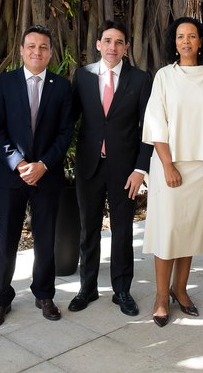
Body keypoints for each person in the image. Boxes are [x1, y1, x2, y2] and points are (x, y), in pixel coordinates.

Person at [0, 25, 73, 325]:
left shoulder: (61, 86)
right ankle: (1, 299)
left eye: (43, 47)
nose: (37, 52)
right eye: (31, 46)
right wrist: (18, 162)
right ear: (21, 50)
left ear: (50, 52)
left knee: (45, 238)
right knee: (7, 238)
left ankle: (44, 294)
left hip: (47, 176)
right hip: (13, 176)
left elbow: (65, 133)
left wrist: (44, 165)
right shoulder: (4, 83)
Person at [141, 17, 203, 327]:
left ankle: (180, 289)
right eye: (180, 36)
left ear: (201, 41)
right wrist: (167, 165)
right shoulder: (164, 76)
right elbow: (155, 123)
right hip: (169, 164)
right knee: (168, 232)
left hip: (202, 166)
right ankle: (162, 296)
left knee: (189, 230)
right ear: (173, 43)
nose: (186, 41)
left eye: (192, 36)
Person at [68, 21, 152, 316]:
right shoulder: (83, 76)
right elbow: (69, 120)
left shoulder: (140, 80)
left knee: (122, 231)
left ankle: (122, 290)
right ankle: (87, 287)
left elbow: (148, 128)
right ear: (98, 45)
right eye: (107, 41)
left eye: (119, 42)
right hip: (89, 166)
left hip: (124, 170)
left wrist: (140, 169)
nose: (113, 47)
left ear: (126, 47)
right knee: (88, 229)